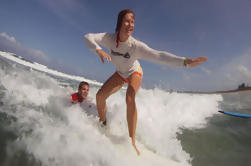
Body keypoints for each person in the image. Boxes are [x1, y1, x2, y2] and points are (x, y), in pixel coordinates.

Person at [84, 9, 207, 155]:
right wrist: (98, 50)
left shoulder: (136, 46)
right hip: (120, 73)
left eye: (133, 22)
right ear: (119, 23)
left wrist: (185, 62)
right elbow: (88, 37)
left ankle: (132, 141)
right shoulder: (109, 38)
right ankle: (103, 125)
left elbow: (159, 56)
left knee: (129, 97)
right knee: (99, 97)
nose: (131, 25)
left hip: (134, 72)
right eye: (127, 21)